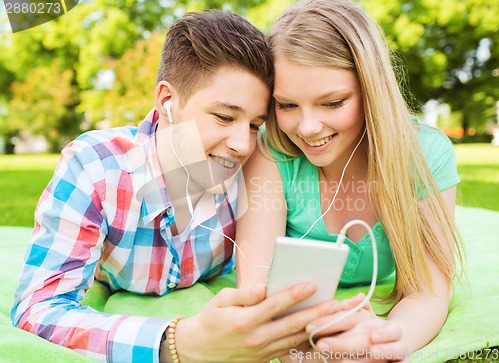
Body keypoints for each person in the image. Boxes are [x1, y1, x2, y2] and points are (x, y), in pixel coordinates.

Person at [11, 10, 343, 363]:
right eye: (224, 117)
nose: (242, 145)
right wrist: (177, 342)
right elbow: (39, 309)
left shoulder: (255, 169)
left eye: (253, 125)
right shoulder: (95, 168)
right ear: (168, 101)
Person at [236, 0, 464, 361]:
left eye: (332, 103)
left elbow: (429, 291)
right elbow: (256, 286)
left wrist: (384, 338)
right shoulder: (272, 153)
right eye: (288, 105)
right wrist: (301, 349)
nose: (308, 128)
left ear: (372, 92)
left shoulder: (425, 154)